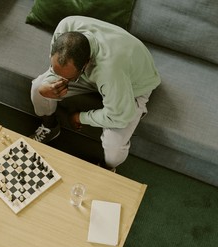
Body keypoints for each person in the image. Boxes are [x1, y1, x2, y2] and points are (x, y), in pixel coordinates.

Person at [30, 16, 161, 171]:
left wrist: (80, 117)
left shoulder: (110, 70)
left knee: (114, 146)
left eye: (68, 78)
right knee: (38, 88)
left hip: (134, 84)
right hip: (93, 75)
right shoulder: (65, 27)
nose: (63, 80)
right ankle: (50, 127)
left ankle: (107, 169)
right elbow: (55, 69)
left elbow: (119, 117)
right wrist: (47, 85)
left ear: (86, 63)